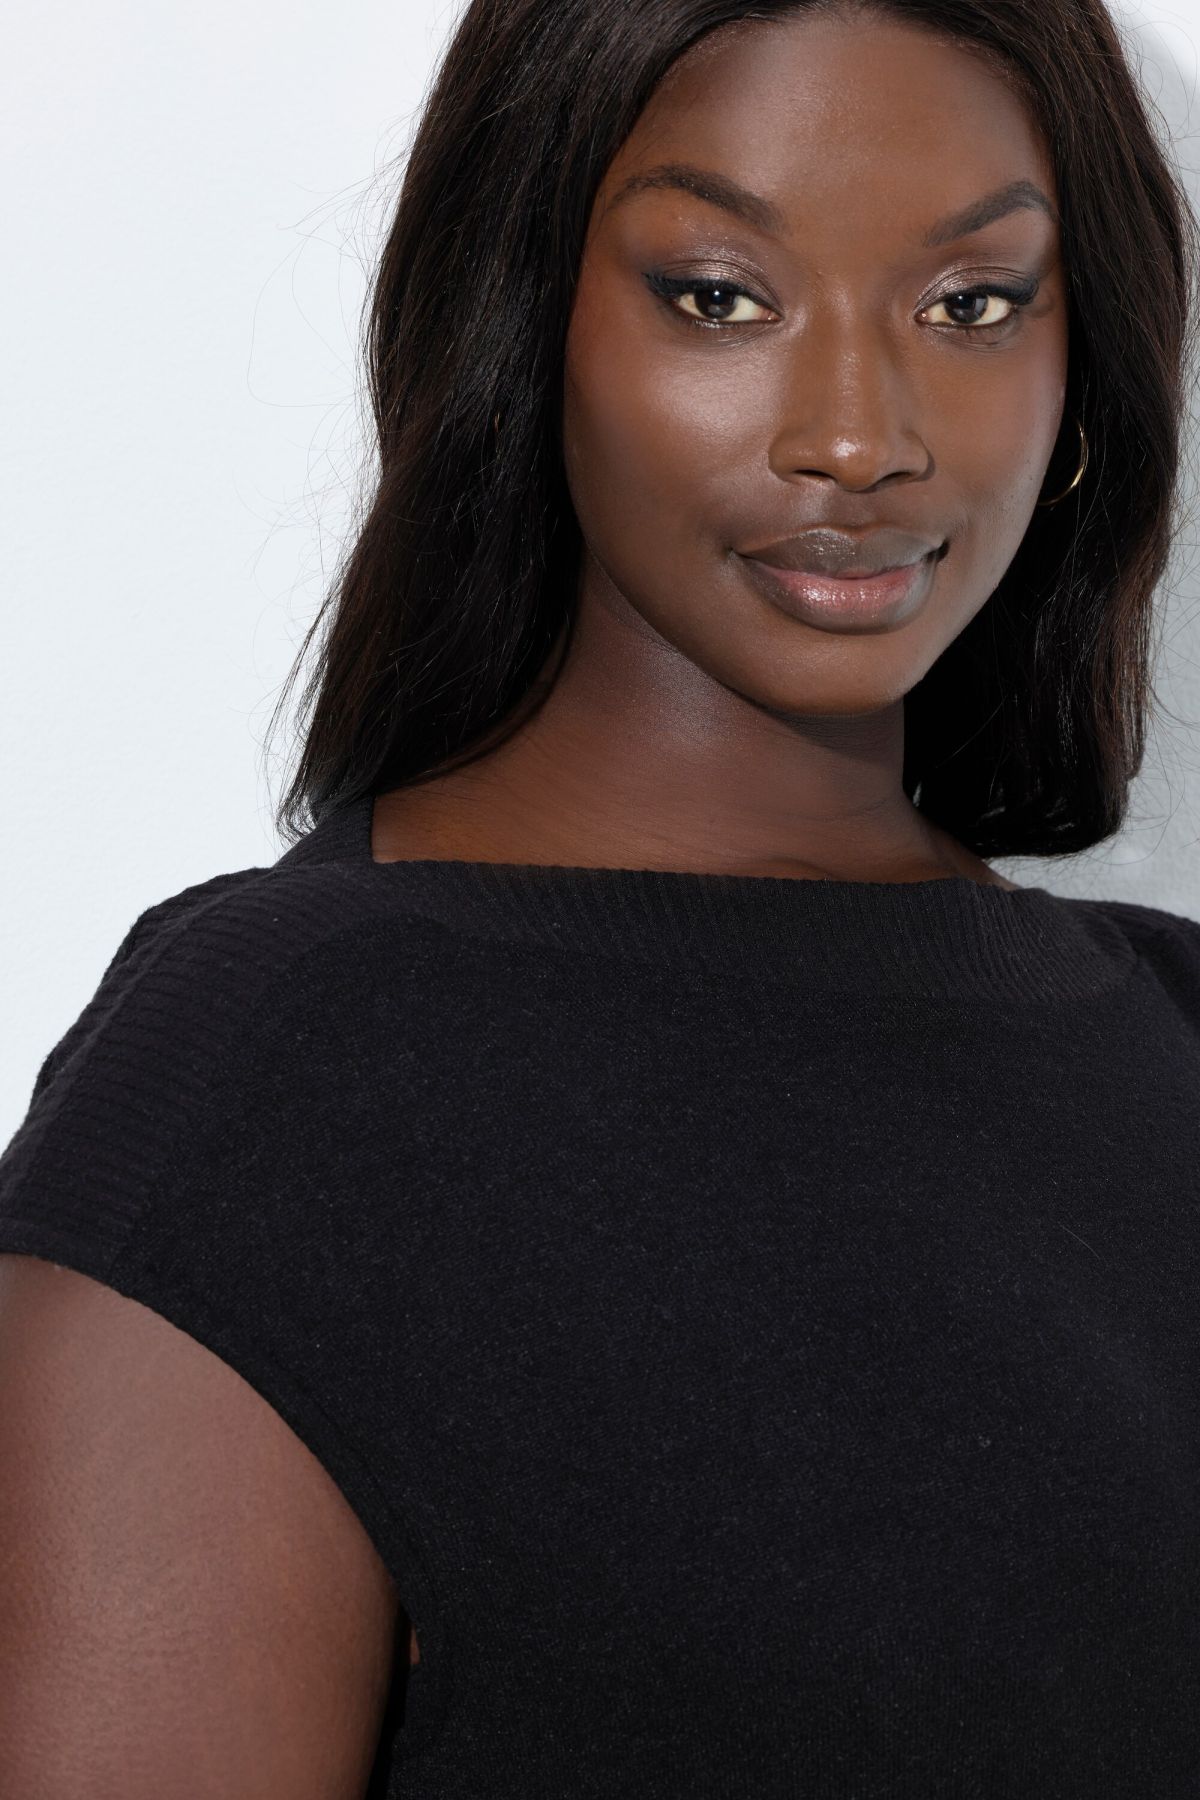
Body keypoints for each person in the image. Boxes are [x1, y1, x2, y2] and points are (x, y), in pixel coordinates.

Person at [2, 0, 1199, 1794]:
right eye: (719, 295)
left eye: (971, 305)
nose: (857, 437)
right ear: (523, 318)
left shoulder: (1173, 1040)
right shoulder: (271, 1072)